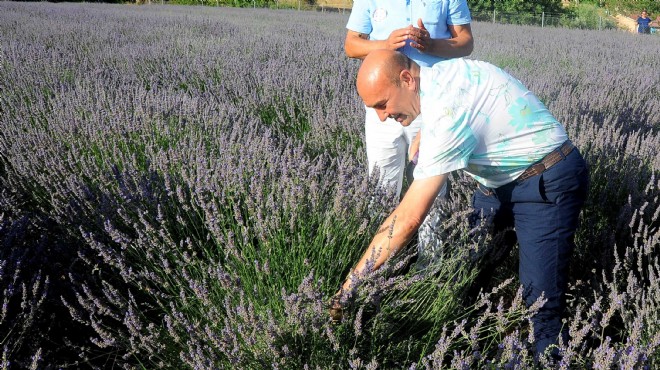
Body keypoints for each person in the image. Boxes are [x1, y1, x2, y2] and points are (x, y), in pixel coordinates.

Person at [331, 49, 590, 357]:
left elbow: (408, 220)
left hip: (546, 179)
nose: (381, 116)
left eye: (383, 104)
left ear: (406, 79)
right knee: (463, 274)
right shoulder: (439, 76)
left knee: (541, 305)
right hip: (496, 185)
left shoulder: (446, 114)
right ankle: (469, 352)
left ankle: (548, 358)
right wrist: (424, 131)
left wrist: (349, 287)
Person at [345, 0, 474, 267]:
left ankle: (430, 266)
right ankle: (379, 267)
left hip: (430, 102)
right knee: (381, 187)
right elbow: (351, 45)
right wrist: (384, 44)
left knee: (431, 188)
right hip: (384, 102)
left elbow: (466, 42)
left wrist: (433, 45)